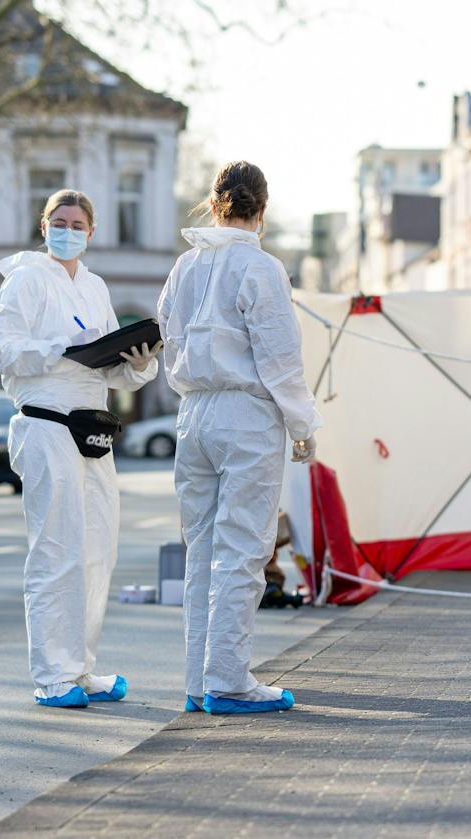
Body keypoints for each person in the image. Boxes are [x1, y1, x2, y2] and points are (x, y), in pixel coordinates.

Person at [0, 188, 161, 709]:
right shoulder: (26, 279)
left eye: (77, 224)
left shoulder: (94, 285)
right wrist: (61, 351)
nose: (68, 231)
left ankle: (80, 667)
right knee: (56, 549)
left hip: (91, 429)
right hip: (46, 423)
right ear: (44, 227)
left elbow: (109, 371)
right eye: (58, 222)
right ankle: (52, 675)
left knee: (96, 550)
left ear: (91, 232)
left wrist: (137, 363)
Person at [158, 161, 320, 715]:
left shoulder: (185, 266)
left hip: (194, 412)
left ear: (213, 203)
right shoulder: (261, 267)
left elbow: (167, 334)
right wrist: (302, 423)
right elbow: (279, 355)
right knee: (243, 549)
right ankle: (228, 680)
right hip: (246, 414)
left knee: (201, 550)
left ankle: (199, 680)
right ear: (263, 209)